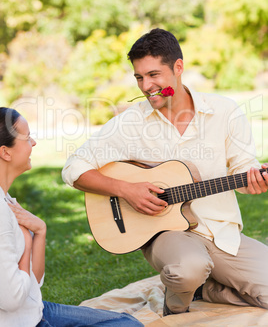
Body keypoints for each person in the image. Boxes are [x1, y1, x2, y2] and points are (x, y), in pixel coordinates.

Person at [62, 28, 268, 315]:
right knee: (188, 268)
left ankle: (205, 290)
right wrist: (127, 190)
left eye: (154, 75)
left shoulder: (225, 112)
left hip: (221, 232)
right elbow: (74, 168)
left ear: (178, 68)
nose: (146, 86)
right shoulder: (131, 122)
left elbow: (244, 173)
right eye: (139, 77)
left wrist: (255, 180)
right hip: (165, 233)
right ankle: (179, 298)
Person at [0, 107, 143, 327]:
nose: (34, 143)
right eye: (28, 138)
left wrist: (40, 230)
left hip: (36, 310)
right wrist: (27, 243)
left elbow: (34, 283)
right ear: (6, 152)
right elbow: (12, 300)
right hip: (20, 322)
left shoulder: (7, 200)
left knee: (128, 322)